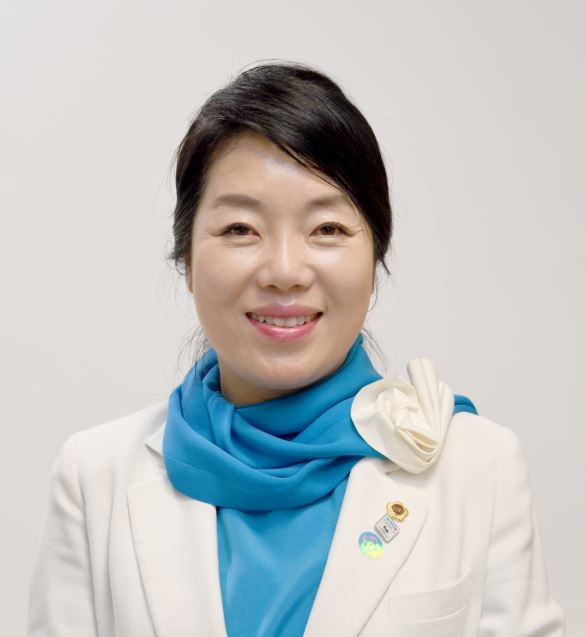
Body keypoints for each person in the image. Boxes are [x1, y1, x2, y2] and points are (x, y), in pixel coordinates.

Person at [27, 61, 565, 636]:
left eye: (327, 229)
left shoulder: (479, 469)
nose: (284, 271)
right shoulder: (95, 478)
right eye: (240, 229)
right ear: (187, 260)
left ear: (375, 258)